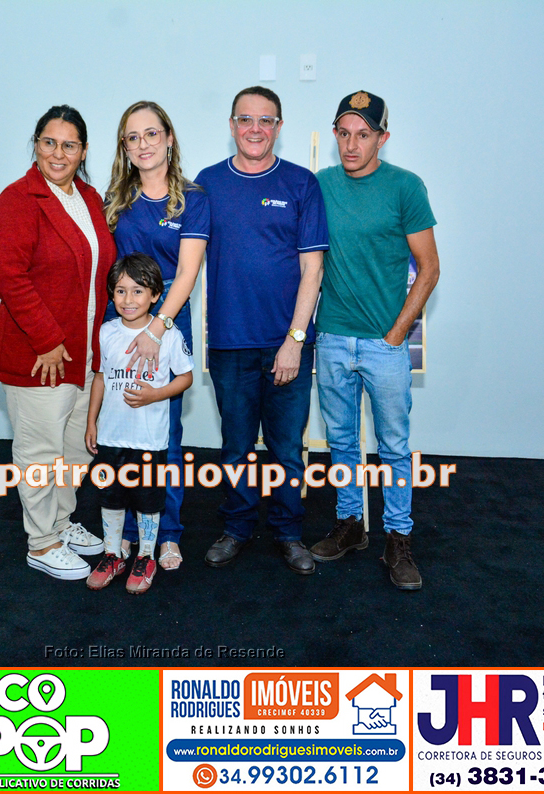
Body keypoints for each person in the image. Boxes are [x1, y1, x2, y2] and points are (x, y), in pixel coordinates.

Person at [308, 90, 439, 590]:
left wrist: (398, 333)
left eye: (363, 134)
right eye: (344, 133)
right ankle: (351, 524)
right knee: (341, 441)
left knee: (394, 446)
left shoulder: (405, 187)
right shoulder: (321, 184)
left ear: (382, 138)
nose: (351, 144)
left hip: (385, 344)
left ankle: (398, 537)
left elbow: (429, 268)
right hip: (332, 338)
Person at [194, 86, 328, 575]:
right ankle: (236, 527)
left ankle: (289, 533)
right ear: (232, 125)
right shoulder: (207, 184)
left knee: (287, 449)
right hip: (229, 343)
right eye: (246, 119)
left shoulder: (301, 183)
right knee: (235, 448)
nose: (255, 129)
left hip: (286, 344)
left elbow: (313, 270)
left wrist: (294, 341)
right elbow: (185, 259)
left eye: (266, 120)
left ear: (279, 127)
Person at [0, 105, 117, 580]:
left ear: (83, 151)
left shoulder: (89, 197)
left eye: (69, 144)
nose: (57, 153)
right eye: (48, 142)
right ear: (36, 144)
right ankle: (41, 542)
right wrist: (46, 338)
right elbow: (9, 276)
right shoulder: (18, 199)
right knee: (40, 452)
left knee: (76, 448)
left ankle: (61, 523)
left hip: (84, 355)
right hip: (39, 356)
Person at [103, 101, 209, 571]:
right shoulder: (116, 199)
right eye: (133, 137)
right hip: (121, 315)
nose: (143, 144)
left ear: (168, 138)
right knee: (122, 432)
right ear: (124, 147)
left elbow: (187, 273)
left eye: (151, 133)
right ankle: (129, 531)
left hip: (168, 317)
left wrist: (158, 326)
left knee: (163, 434)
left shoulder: (192, 199)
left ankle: (167, 533)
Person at [85, 254, 193, 593]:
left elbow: (186, 378)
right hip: (112, 438)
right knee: (111, 498)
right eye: (120, 291)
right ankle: (112, 554)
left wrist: (155, 395)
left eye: (137, 291)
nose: (128, 299)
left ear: (155, 295)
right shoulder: (106, 332)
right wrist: (91, 423)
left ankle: (146, 556)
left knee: (148, 500)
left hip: (149, 440)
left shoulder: (168, 335)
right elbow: (100, 378)